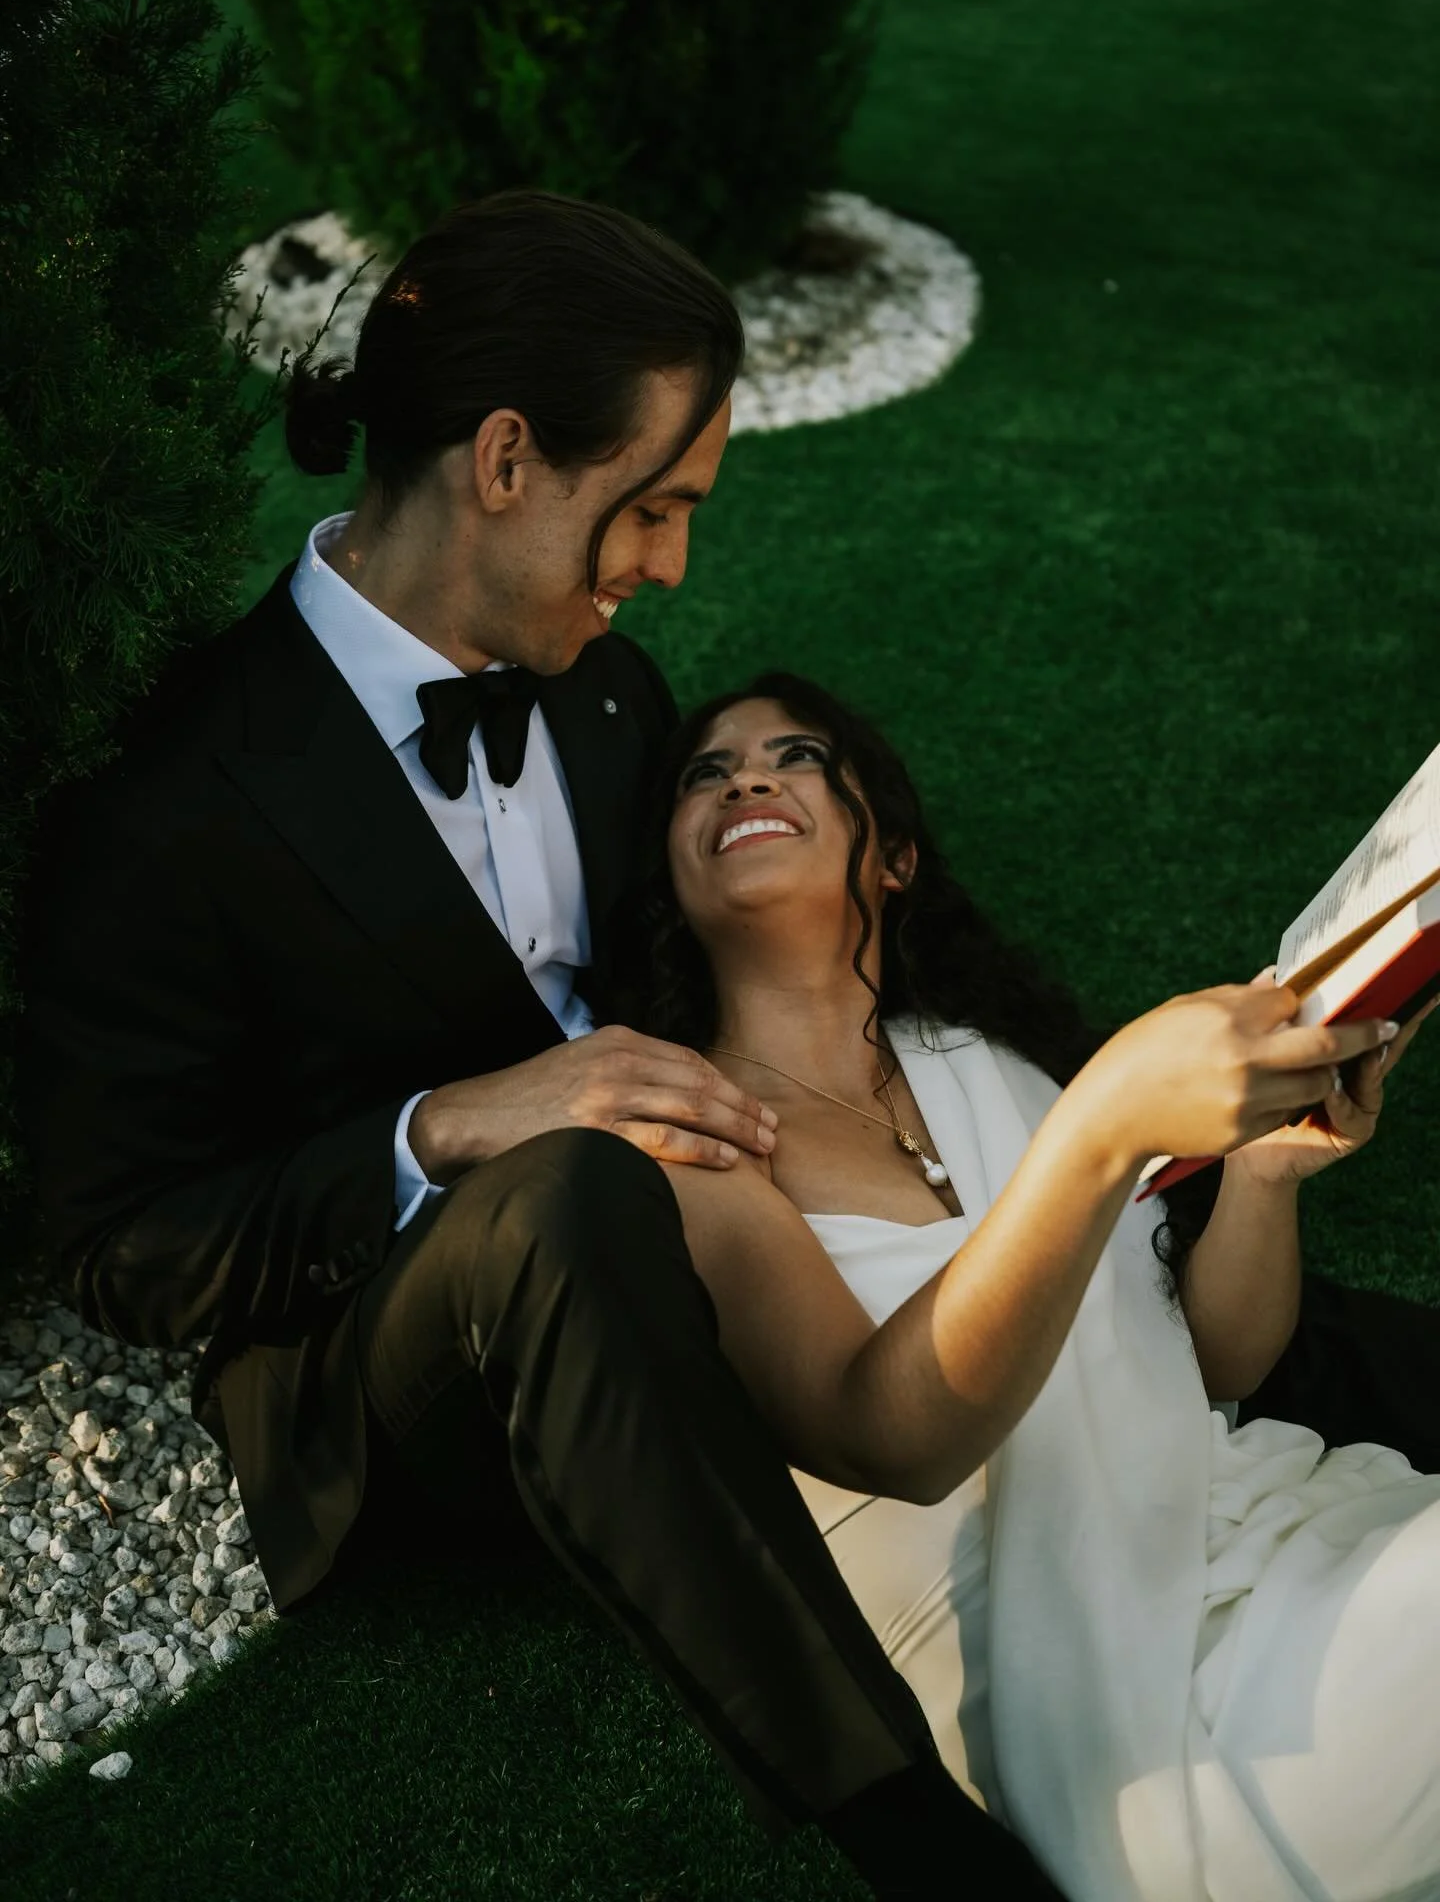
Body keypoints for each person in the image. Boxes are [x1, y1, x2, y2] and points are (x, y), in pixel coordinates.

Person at [17, 190, 1064, 1898]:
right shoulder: (166, 802)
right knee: (571, 1197)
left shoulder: (606, 695)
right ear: (506, 460)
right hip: (405, 1395)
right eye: (651, 508)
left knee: (1023, 1182)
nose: (669, 567)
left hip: (705, 1249)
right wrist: (442, 1126)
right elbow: (120, 1247)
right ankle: (914, 1838)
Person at [624, 667, 1440, 1900]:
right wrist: (1103, 1131)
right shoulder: (685, 1143)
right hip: (1145, 1714)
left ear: (895, 860)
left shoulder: (983, 1062)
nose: (746, 779)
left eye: (798, 758)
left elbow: (1207, 1367)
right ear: (673, 884)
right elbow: (889, 1434)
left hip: (1288, 1534)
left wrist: (1265, 1175)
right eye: (708, 772)